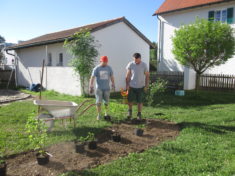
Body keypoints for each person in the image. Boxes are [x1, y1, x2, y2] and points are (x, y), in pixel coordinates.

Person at [89, 56, 115, 120]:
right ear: (100, 61)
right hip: (99, 88)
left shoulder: (109, 68)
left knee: (106, 102)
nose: (105, 63)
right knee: (98, 102)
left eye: (106, 62)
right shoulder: (96, 68)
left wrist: (113, 84)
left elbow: (111, 76)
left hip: (107, 88)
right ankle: (99, 114)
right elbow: (92, 77)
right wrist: (91, 86)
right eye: (104, 62)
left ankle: (106, 113)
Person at [125, 53, 149, 119]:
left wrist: (146, 85)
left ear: (140, 58)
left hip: (141, 86)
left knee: (140, 101)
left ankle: (139, 114)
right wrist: (127, 85)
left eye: (137, 60)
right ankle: (130, 112)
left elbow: (147, 75)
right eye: (134, 60)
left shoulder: (144, 65)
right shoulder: (130, 64)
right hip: (131, 86)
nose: (135, 61)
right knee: (130, 100)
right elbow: (127, 75)